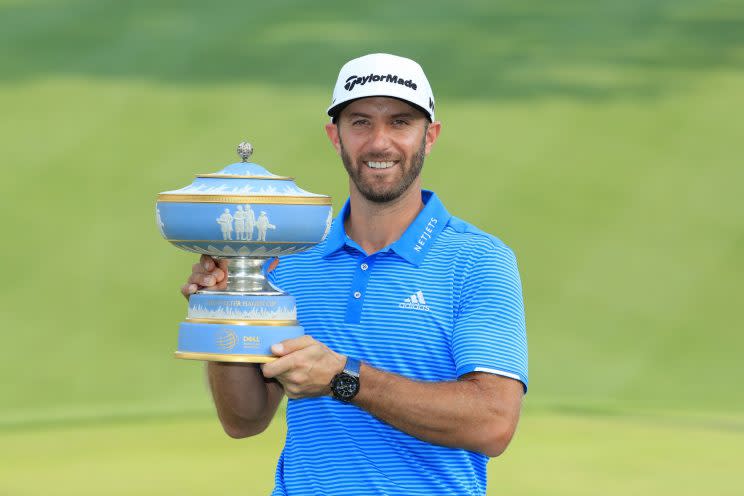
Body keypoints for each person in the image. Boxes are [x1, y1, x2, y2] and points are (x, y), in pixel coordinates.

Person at [182, 53, 528, 496]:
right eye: (361, 122)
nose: (379, 142)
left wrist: (344, 378)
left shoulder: (478, 259)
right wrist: (224, 312)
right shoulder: (289, 256)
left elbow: (493, 423)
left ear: (430, 136)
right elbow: (244, 420)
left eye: (400, 122)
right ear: (335, 136)